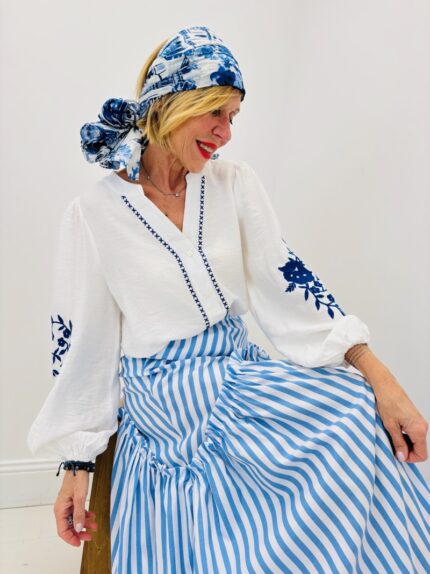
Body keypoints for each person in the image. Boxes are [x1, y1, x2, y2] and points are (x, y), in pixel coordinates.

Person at [27, 25, 429, 574]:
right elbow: (85, 346)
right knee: (346, 419)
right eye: (215, 112)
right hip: (165, 392)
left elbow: (288, 282)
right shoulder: (94, 212)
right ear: (172, 103)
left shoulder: (233, 183)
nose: (226, 132)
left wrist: (381, 379)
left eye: (234, 116)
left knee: (358, 408)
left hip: (237, 369)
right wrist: (77, 463)